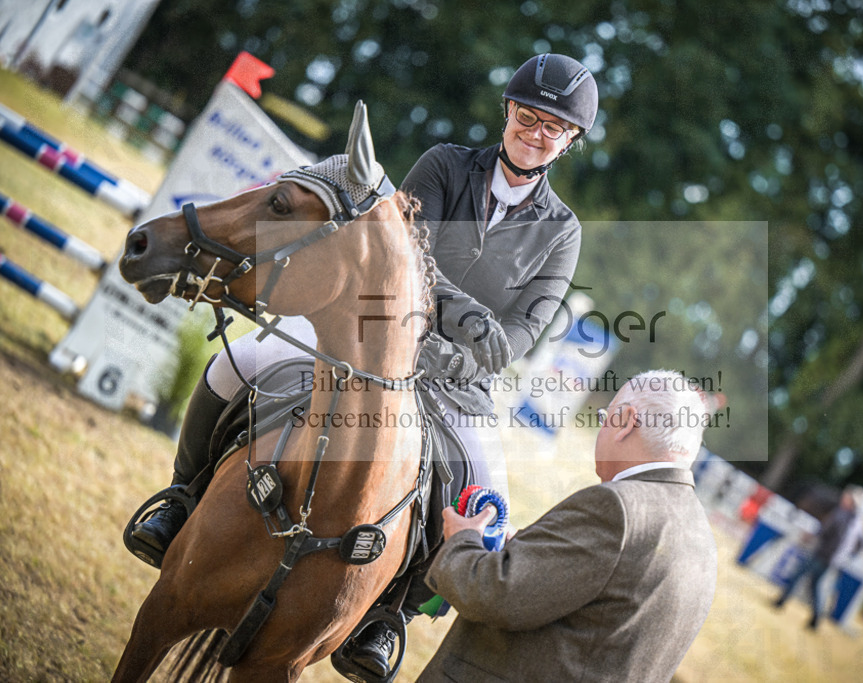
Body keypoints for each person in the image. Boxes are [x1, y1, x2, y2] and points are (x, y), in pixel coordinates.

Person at [129, 53, 599, 679]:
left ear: (571, 140)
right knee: (236, 362)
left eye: (553, 127)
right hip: (365, 330)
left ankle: (387, 614)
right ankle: (180, 500)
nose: (535, 133)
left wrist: (452, 352)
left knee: (491, 506)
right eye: (527, 116)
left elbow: (520, 333)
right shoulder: (444, 164)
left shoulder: (562, 230)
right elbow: (401, 253)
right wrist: (443, 317)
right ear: (507, 110)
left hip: (457, 382)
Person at [415, 370, 719, 682]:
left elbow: (491, 594)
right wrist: (526, 552)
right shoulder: (702, 540)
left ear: (626, 422)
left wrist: (463, 538)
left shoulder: (617, 508)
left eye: (605, 417)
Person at [773, 487, 858, 630]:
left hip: (822, 555)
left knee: (797, 575)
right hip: (830, 559)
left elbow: (826, 530)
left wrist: (813, 536)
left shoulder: (841, 514)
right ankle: (816, 617)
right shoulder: (852, 522)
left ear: (849, 501)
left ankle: (781, 601)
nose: (842, 499)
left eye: (846, 497)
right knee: (815, 585)